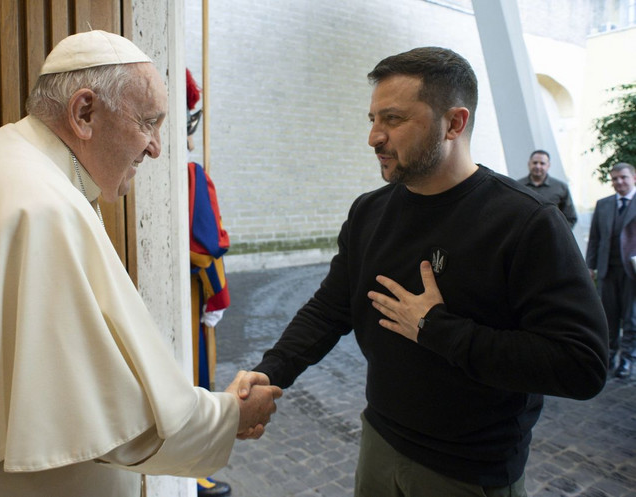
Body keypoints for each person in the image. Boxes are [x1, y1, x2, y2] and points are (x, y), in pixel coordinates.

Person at [0, 30, 282, 497]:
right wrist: (229, 416)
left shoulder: (5, 157)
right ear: (84, 113)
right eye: (149, 122)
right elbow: (114, 420)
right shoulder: (42, 207)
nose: (156, 149)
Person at [246, 47, 608, 497]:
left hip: (469, 470)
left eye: (393, 120)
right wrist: (272, 371)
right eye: (372, 119)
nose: (374, 137)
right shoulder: (369, 212)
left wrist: (436, 328)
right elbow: (330, 308)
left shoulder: (526, 222)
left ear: (454, 123)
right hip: (379, 440)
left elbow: (582, 365)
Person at [186, 67, 234, 497]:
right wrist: (218, 293)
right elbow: (208, 245)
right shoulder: (191, 175)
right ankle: (196, 470)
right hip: (188, 293)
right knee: (196, 375)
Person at [586, 162, 636, 379]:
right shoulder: (603, 204)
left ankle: (627, 359)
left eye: (623, 177)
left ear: (634, 178)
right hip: (608, 269)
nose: (619, 182)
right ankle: (607, 355)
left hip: (632, 272)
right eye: (614, 178)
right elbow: (595, 238)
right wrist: (590, 265)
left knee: (631, 317)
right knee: (608, 316)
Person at [517, 149, 578, 227]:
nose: (538, 166)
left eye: (542, 163)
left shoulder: (561, 187)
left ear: (548, 165)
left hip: (551, 236)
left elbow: (570, 217)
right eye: (535, 163)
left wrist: (558, 234)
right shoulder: (517, 186)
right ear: (529, 164)